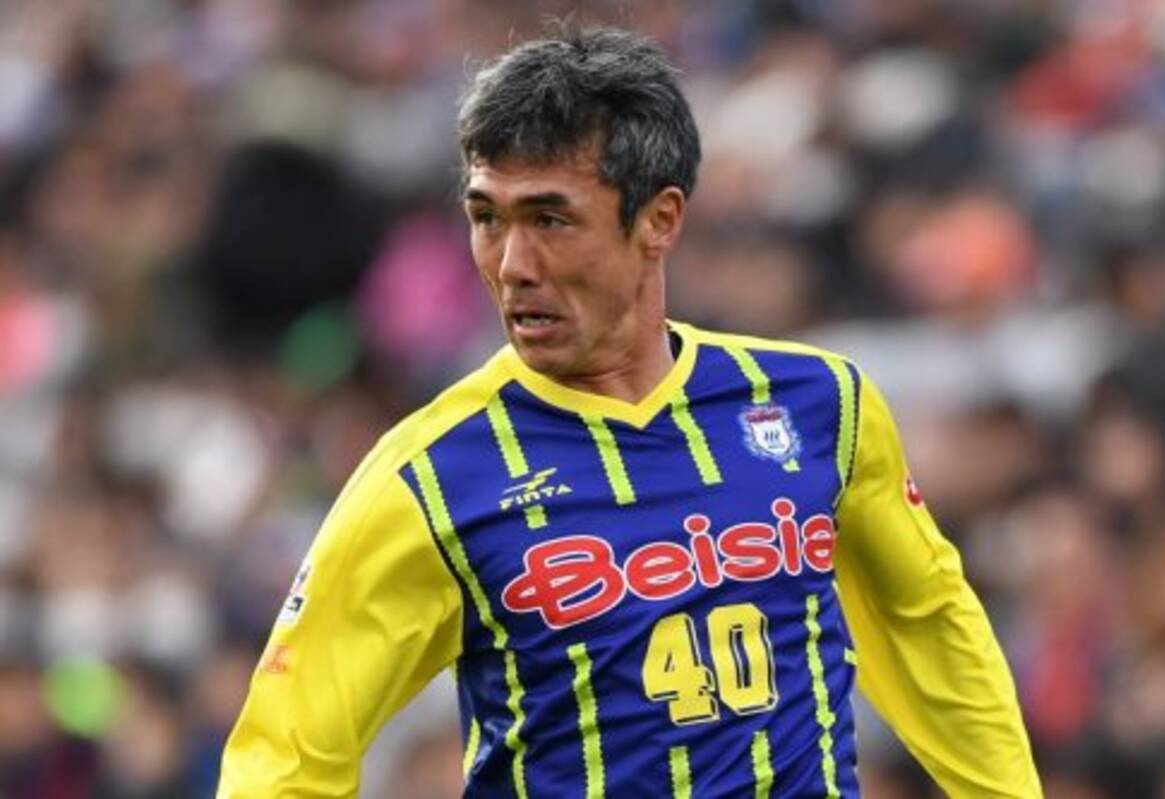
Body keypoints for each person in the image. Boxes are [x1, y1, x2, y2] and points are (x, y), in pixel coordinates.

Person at [218, 25, 1042, 798]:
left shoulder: (820, 404)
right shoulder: (428, 475)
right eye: (486, 218)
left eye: (550, 219)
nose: (512, 263)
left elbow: (926, 625)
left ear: (659, 219)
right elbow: (286, 754)